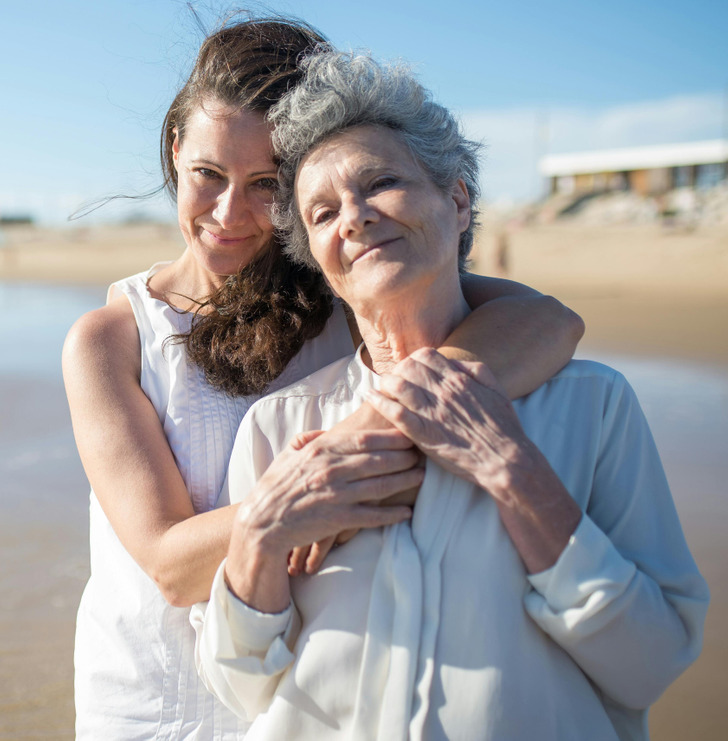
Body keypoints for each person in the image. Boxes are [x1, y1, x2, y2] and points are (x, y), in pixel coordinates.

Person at [62, 17, 583, 740]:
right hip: (151, 703)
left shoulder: (347, 302)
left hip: (299, 701)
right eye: (208, 174)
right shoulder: (112, 339)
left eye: (265, 185)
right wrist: (313, 488)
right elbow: (170, 565)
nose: (228, 214)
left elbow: (547, 321)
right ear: (176, 150)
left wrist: (360, 439)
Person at [192, 50, 709, 740]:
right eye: (322, 212)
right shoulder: (279, 426)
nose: (353, 218)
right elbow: (238, 685)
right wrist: (257, 535)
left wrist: (513, 471)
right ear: (315, 255)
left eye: (381, 183)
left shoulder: (592, 405)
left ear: (458, 201)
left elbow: (652, 661)